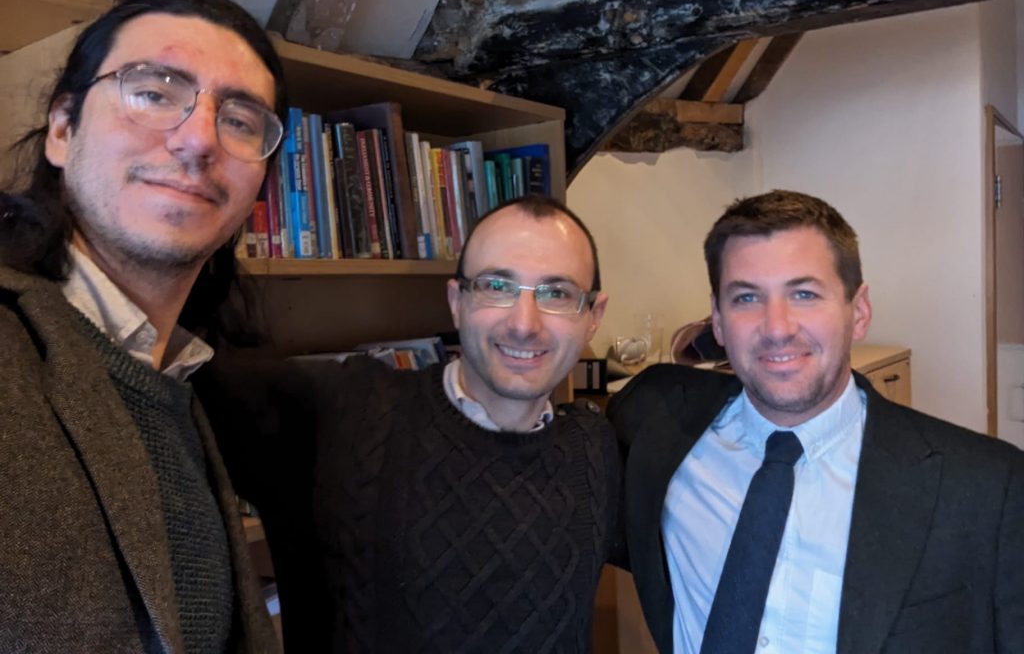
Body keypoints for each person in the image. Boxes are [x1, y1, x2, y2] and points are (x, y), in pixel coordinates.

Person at [607, 190, 1024, 654]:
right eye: (746, 298)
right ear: (718, 322)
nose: (777, 328)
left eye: (804, 294)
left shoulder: (989, 488)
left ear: (858, 311)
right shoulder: (655, 420)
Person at [198, 195, 619, 653]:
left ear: (593, 317)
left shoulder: (595, 447)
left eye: (557, 294)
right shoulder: (337, 412)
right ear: (456, 302)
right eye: (496, 286)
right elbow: (172, 383)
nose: (524, 323)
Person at [0, 0, 287, 652]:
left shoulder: (182, 385)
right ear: (63, 129)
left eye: (241, 120)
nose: (199, 139)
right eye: (155, 93)